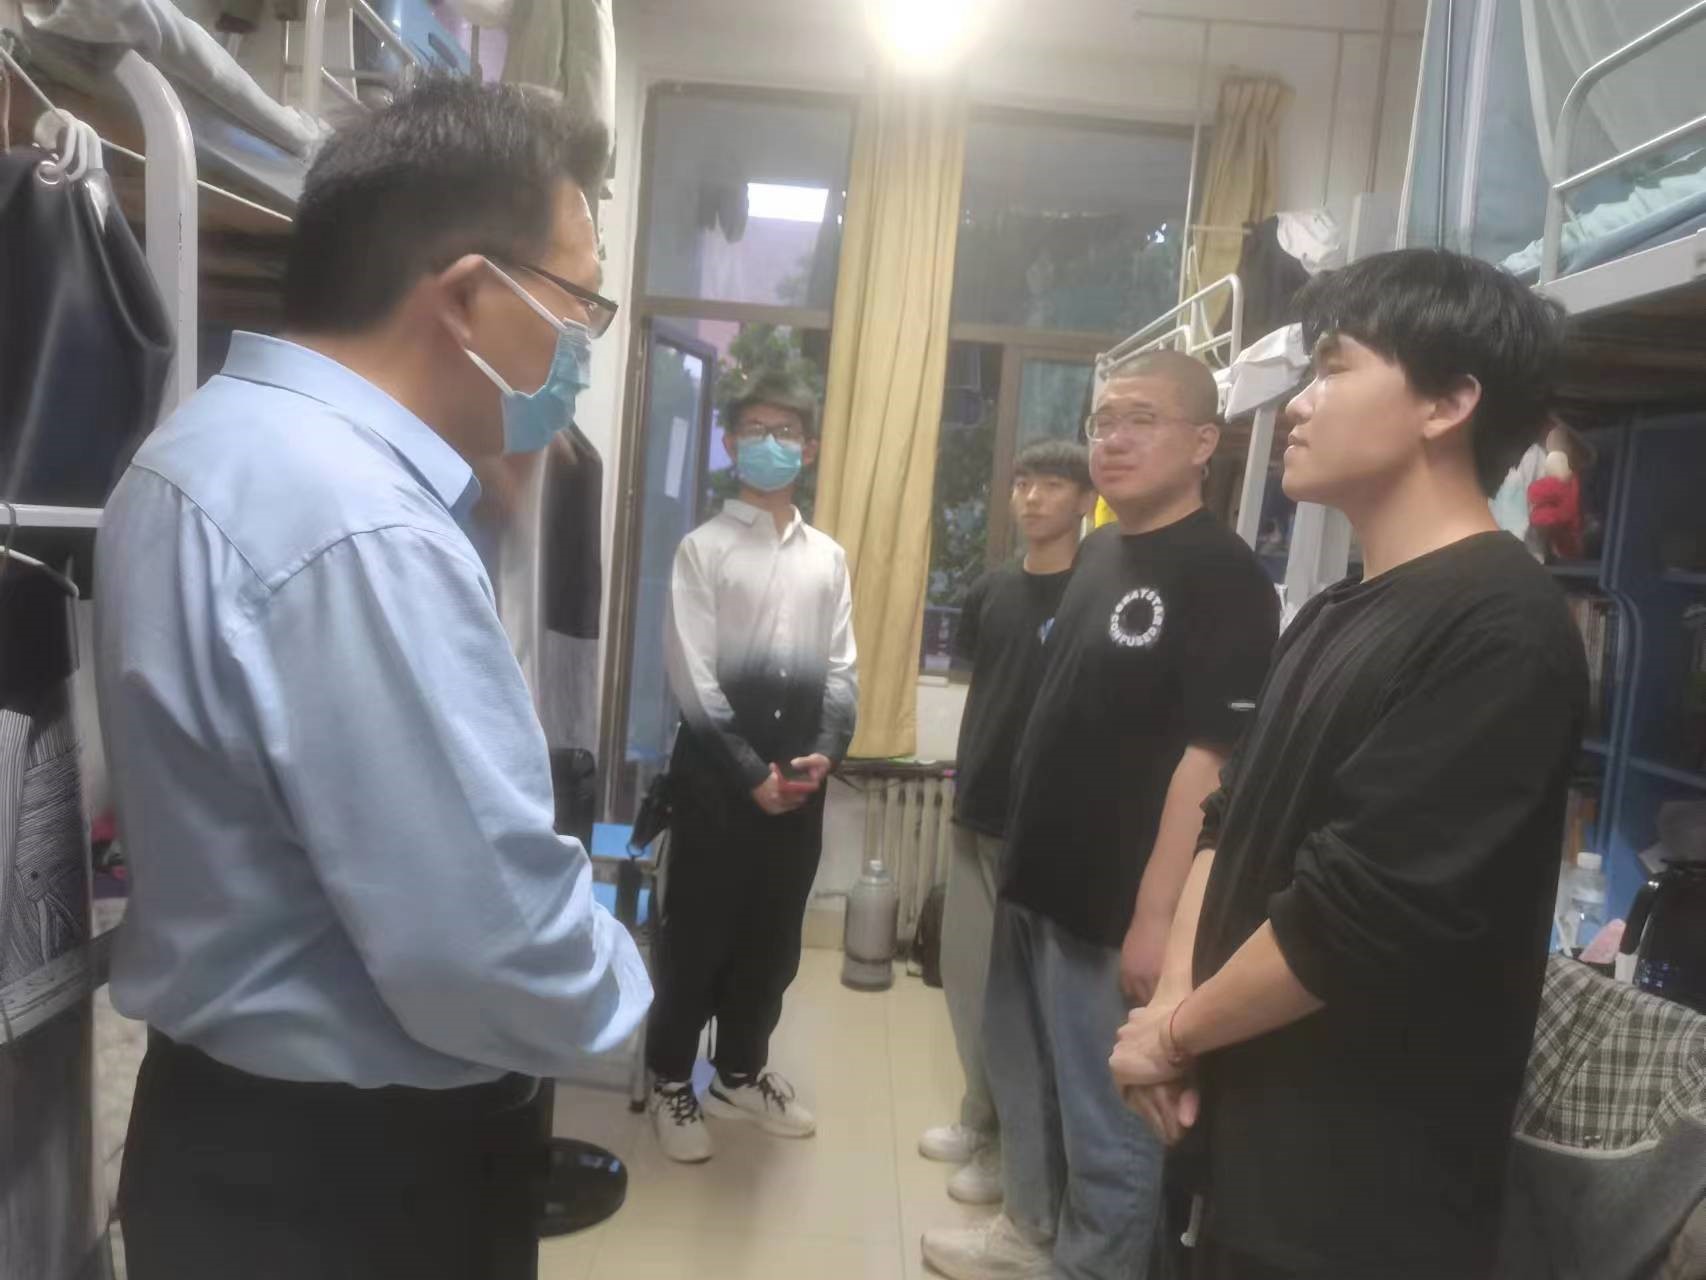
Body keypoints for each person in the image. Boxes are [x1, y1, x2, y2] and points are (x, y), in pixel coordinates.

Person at [93, 79, 651, 1280]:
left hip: (217, 1130)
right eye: (578, 304)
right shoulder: (360, 524)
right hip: (351, 1182)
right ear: (467, 296)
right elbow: (486, 953)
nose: (580, 350)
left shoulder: (198, 446)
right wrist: (620, 966)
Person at [1110, 248, 1587, 1280]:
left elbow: (1356, 916)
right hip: (1237, 1151)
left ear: (1447, 403)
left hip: (1358, 1206)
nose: (1296, 404)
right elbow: (1226, 818)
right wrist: (1170, 1007)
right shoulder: (1331, 611)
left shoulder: (1501, 628)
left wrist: (1173, 1034)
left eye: (1332, 368)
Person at [923, 350, 1279, 1280]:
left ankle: (1094, 1266)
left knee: (1105, 1115)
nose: (1112, 440)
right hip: (1036, 874)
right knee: (1024, 1075)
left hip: (1116, 902)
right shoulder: (1100, 553)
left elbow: (1212, 762)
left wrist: (1156, 921)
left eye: (1140, 420)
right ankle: (1028, 1230)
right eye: (1102, 421)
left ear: (1202, 442)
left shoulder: (1225, 575)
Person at [646, 371, 857, 1163]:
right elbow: (692, 680)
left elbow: (842, 670)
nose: (772, 443)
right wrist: (749, 775)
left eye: (786, 431)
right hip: (714, 786)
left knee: (773, 940)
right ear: (731, 444)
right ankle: (672, 1079)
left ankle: (738, 1073)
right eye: (756, 430)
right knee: (697, 937)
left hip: (799, 783)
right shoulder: (702, 550)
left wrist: (824, 755)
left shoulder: (827, 558)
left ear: (809, 448)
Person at [918, 440, 1096, 1206]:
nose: (1032, 497)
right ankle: (979, 1117)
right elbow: (983, 693)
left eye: (1052, 485)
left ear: (1085, 500)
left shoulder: (1095, 593)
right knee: (967, 979)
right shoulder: (990, 591)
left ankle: (1015, 1151)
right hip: (978, 808)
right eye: (1023, 483)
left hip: (1048, 824)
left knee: (1026, 1000)